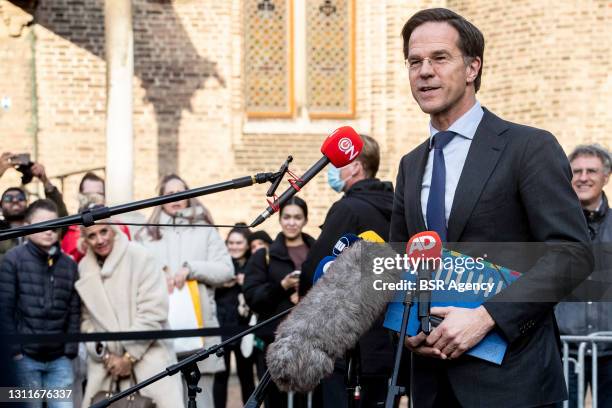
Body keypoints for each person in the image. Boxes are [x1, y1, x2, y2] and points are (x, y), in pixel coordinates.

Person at [390, 8, 592, 407]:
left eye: (439, 58)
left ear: (472, 67)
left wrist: (487, 317)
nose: (424, 71)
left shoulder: (528, 147)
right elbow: (401, 263)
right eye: (415, 62)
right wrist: (405, 327)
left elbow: (572, 254)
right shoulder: (411, 165)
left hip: (513, 383)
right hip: (432, 384)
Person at [299, 134, 396, 407]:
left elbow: (315, 269)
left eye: (338, 163)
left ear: (355, 166)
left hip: (348, 345)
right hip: (386, 341)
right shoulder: (397, 207)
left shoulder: (348, 209)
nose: (333, 170)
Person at [136, 174, 234, 408]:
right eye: (169, 194)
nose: (176, 198)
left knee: (202, 401)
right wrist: (159, 274)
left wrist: (191, 269)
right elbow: (135, 277)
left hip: (200, 332)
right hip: (159, 332)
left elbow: (226, 270)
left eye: (181, 192)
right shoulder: (145, 235)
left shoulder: (206, 230)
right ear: (160, 199)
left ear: (189, 196)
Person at [76, 214, 183, 408]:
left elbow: (154, 311)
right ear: (85, 239)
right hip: (106, 367)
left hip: (149, 359)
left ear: (113, 229)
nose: (100, 240)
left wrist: (129, 356)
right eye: (92, 236)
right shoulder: (84, 268)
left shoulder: (140, 256)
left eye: (103, 231)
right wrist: (106, 356)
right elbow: (85, 321)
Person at [0, 199, 80, 407]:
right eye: (42, 224)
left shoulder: (68, 264)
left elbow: (74, 309)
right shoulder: (12, 259)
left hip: (59, 359)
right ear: (27, 227)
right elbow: (5, 308)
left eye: (54, 224)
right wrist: (15, 351)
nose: (49, 231)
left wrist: (70, 349)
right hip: (24, 358)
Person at [243, 196, 315, 408]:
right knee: (277, 401)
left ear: (305, 220)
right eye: (287, 217)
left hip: (311, 342)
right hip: (274, 344)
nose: (292, 222)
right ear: (280, 220)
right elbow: (252, 297)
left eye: (297, 217)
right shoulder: (264, 256)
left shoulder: (317, 250)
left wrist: (304, 296)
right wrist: (281, 287)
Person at [555, 144, 612, 407]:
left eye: (591, 170)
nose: (583, 177)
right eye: (576, 171)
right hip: (566, 353)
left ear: (606, 176)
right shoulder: (552, 229)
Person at [213, 224, 256, 407]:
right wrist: (220, 283)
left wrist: (246, 282)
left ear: (247, 245)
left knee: (246, 375)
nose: (234, 246)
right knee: (220, 376)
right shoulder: (220, 264)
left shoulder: (254, 265)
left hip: (244, 327)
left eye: (239, 243)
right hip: (221, 325)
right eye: (230, 242)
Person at [61, 172, 130, 263]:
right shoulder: (71, 230)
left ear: (104, 197)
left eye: (99, 194)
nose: (94, 199)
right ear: (80, 196)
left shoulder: (120, 227)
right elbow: (69, 262)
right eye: (89, 195)